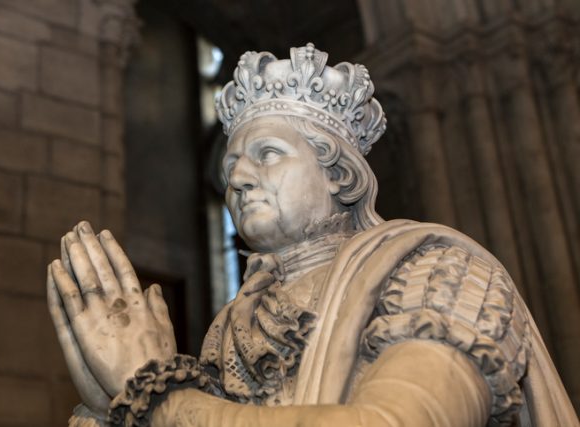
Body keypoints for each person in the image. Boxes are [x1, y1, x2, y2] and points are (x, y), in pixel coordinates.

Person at [47, 43, 578, 427]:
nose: (237, 177)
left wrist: (154, 393)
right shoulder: (231, 327)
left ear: (338, 175)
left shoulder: (438, 272)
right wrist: (111, 406)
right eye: (230, 164)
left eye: (267, 154)